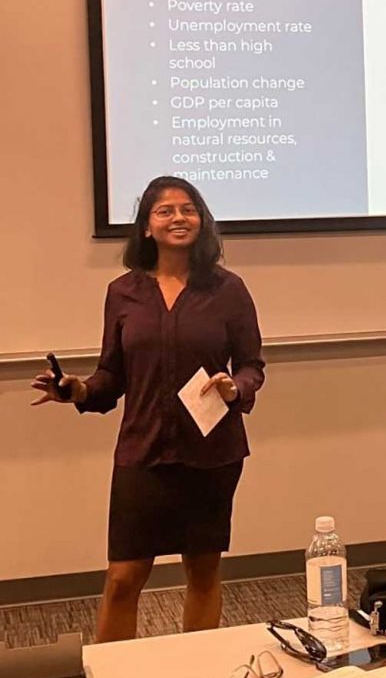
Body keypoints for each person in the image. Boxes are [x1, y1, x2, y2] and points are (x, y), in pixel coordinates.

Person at [31, 176, 265, 642]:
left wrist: (235, 389)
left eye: (188, 209)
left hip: (211, 452)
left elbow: (252, 365)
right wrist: (76, 390)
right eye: (165, 211)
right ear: (146, 227)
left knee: (202, 572)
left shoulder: (228, 289)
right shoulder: (124, 292)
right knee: (122, 578)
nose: (178, 218)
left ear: (202, 220)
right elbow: (111, 376)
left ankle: (196, 672)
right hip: (143, 450)